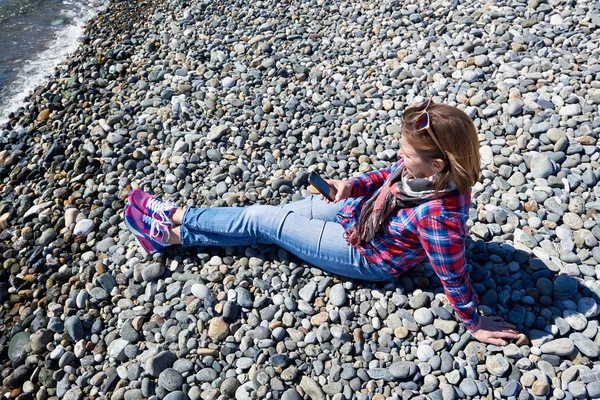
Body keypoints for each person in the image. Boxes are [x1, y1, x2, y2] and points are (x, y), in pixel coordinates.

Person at [123, 99, 519, 345]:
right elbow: (388, 175)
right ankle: (170, 238)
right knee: (279, 215)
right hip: (359, 213)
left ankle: (174, 216)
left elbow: (453, 274)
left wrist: (474, 320)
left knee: (265, 220)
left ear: (437, 165)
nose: (401, 156)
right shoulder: (431, 171)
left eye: (407, 152)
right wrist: (351, 186)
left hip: (368, 253)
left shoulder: (441, 216)